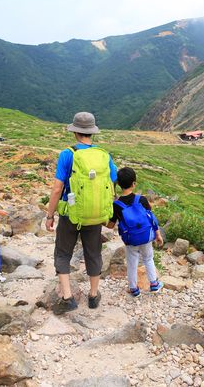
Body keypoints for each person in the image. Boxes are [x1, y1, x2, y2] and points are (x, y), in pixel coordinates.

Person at [45, 112, 117, 315]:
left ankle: (67, 297)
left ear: (75, 131)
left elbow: (58, 188)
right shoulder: (104, 155)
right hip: (95, 215)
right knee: (93, 252)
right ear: (92, 132)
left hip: (71, 214)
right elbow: (112, 180)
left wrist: (50, 215)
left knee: (63, 252)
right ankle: (93, 295)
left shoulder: (67, 154)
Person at [107, 167, 164, 297]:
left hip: (130, 239)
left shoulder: (116, 205)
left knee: (132, 262)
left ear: (119, 184)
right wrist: (158, 234)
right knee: (148, 258)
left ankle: (134, 289)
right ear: (134, 184)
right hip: (145, 236)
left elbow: (110, 225)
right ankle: (154, 285)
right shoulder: (142, 199)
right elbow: (151, 218)